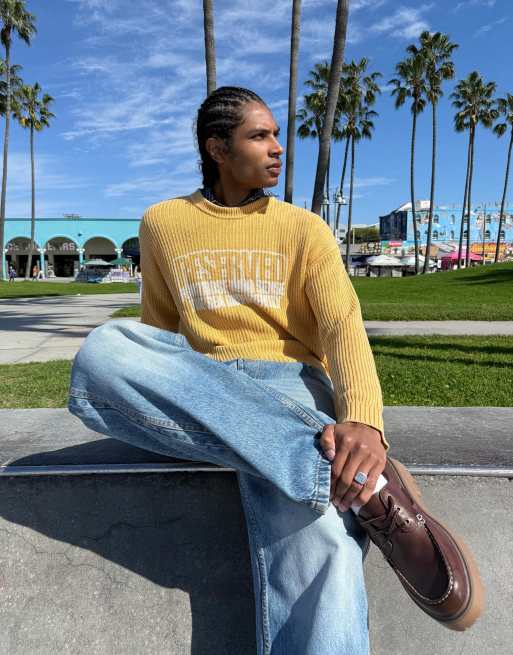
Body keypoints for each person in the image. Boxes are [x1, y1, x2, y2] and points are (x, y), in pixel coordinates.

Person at [68, 86, 483, 654]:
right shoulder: (163, 223)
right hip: (205, 387)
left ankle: (339, 478)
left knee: (324, 543)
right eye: (259, 136)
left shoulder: (303, 227)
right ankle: (359, 486)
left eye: (276, 135)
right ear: (218, 148)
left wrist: (363, 420)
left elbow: (341, 325)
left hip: (290, 382)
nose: (278, 147)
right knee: (105, 350)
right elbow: (160, 331)